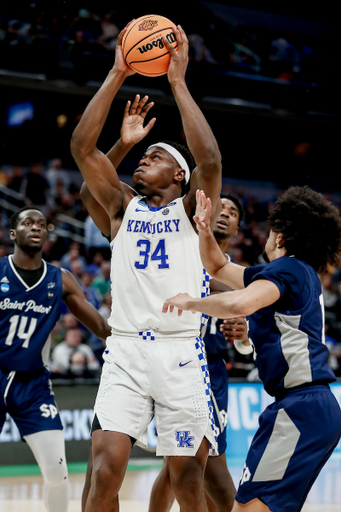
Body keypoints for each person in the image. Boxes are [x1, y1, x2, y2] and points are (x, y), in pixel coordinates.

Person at [71, 21, 222, 512]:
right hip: (127, 352)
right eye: (143, 157)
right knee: (103, 469)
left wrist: (177, 82)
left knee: (187, 481)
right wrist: (118, 73)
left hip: (180, 354)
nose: (142, 162)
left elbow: (211, 161)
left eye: (154, 156)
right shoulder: (121, 209)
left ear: (178, 174)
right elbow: (82, 151)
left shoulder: (189, 209)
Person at [163, 187, 341, 512]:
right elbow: (217, 266)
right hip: (311, 409)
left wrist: (190, 302)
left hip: (300, 408)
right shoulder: (293, 273)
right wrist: (204, 230)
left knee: (247, 509)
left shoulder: (288, 269)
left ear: (282, 234)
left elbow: (239, 302)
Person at [0, 205, 111, 512]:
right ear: (13, 233)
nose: (36, 227)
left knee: (56, 472)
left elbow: (102, 327)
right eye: (27, 223)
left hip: (32, 385)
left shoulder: (60, 279)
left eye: (41, 224)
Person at [148, 194, 247, 512]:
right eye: (221, 207)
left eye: (233, 213)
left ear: (236, 230)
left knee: (180, 465)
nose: (226, 213)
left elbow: (246, 338)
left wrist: (243, 335)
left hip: (209, 369)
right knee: (199, 469)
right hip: (166, 359)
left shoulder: (240, 276)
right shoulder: (178, 252)